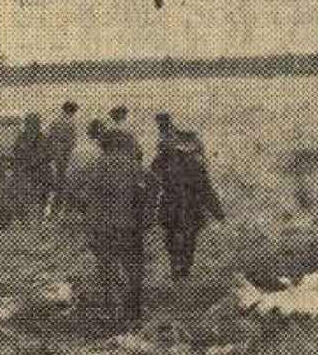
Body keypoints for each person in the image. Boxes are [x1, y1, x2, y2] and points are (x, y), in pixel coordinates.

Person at [79, 131, 153, 331]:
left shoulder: (93, 167)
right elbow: (151, 189)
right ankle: (133, 314)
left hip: (100, 227)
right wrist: (146, 217)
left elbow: (78, 195)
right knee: (133, 270)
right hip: (129, 227)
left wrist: (89, 213)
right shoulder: (135, 167)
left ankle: (109, 311)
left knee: (106, 269)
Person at [150, 113, 223, 281]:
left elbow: (204, 187)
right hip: (185, 205)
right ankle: (181, 266)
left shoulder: (165, 159)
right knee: (184, 237)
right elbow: (205, 188)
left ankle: (179, 267)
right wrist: (217, 211)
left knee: (178, 236)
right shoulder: (168, 160)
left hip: (178, 204)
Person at [45, 101, 79, 214]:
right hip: (64, 156)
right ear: (71, 111)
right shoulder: (70, 123)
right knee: (63, 182)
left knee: (57, 181)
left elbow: (49, 138)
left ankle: (53, 209)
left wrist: (53, 154)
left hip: (54, 156)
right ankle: (60, 209)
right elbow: (72, 142)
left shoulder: (55, 121)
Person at [12, 113, 50, 213]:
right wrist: (23, 163)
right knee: (20, 186)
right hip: (24, 170)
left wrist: (34, 163)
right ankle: (22, 210)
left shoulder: (42, 138)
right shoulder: (21, 137)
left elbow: (46, 154)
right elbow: (16, 151)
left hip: (39, 170)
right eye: (29, 124)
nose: (32, 126)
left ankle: (41, 209)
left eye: (35, 124)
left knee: (43, 185)